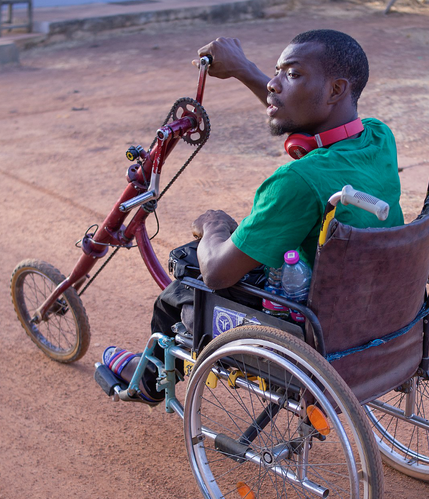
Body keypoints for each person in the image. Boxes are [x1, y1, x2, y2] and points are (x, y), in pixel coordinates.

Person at [97, 30, 405, 402]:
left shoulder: (298, 181)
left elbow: (218, 273)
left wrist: (214, 224)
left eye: (292, 74)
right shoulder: (377, 138)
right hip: (375, 314)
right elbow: (307, 116)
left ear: (337, 90)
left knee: (186, 278)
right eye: (277, 72)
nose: (273, 84)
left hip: (310, 329)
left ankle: (149, 379)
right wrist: (244, 70)